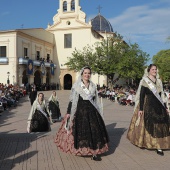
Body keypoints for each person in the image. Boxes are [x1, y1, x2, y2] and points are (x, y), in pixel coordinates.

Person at [55, 66, 109, 161]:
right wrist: (68, 112)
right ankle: (83, 149)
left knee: (94, 131)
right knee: (81, 133)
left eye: (89, 73)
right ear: (82, 74)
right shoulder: (76, 86)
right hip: (80, 112)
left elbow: (95, 100)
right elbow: (71, 100)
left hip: (92, 112)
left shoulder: (93, 86)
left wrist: (99, 111)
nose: (87, 75)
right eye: (85, 73)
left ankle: (94, 153)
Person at [127, 64, 170, 156]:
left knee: (161, 124)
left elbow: (162, 95)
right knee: (150, 124)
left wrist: (166, 107)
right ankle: (153, 145)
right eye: (153, 69)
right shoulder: (144, 81)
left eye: (156, 69)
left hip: (159, 106)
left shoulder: (159, 81)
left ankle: (159, 145)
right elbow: (142, 96)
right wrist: (141, 109)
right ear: (149, 70)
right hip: (148, 105)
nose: (155, 71)